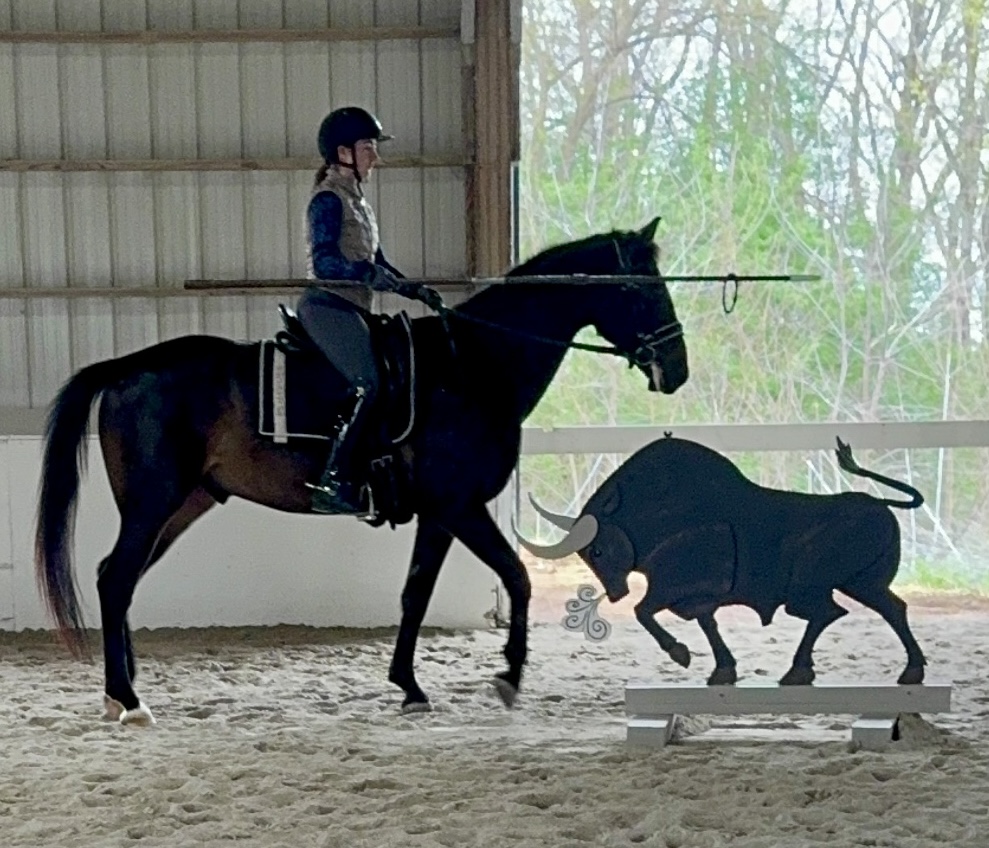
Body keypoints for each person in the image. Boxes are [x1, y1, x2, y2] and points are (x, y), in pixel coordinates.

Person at [296, 106, 445, 515]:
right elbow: (325, 263)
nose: (375, 157)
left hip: (354, 307)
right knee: (369, 383)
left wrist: (414, 289)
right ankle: (333, 481)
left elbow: (379, 262)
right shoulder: (327, 200)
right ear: (343, 152)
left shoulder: (357, 201)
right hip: (328, 306)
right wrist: (366, 273)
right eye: (368, 148)